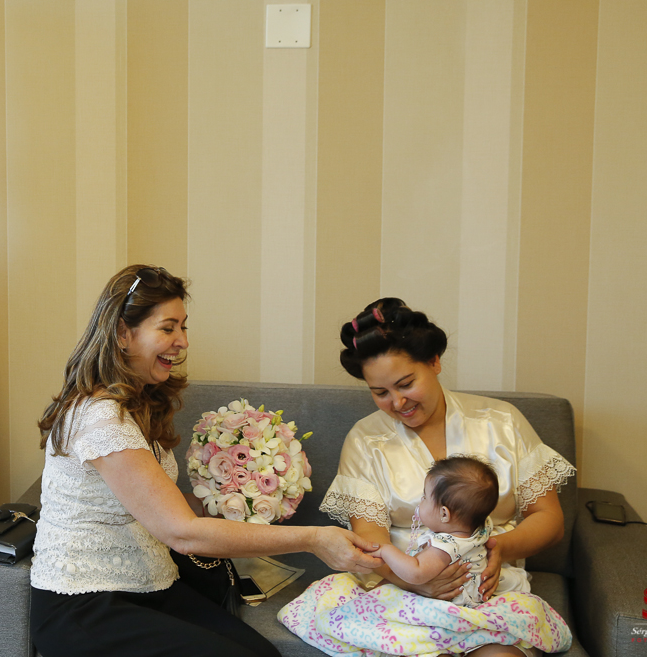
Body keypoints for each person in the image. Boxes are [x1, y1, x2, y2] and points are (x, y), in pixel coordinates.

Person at [29, 265, 382, 657]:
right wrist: (313, 539)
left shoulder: (136, 405)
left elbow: (159, 508)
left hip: (149, 587)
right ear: (123, 334)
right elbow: (182, 533)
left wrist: (229, 495)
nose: (181, 342)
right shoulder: (99, 417)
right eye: (167, 328)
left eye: (183, 327)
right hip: (85, 604)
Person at [318, 298, 575, 657]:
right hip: (402, 589)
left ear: (434, 362)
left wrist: (497, 549)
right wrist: (418, 581)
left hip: (487, 587)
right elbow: (370, 540)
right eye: (380, 392)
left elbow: (549, 519)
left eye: (405, 383)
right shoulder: (365, 441)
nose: (397, 403)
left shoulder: (501, 421)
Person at [370, 455, 529, 606]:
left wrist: (387, 551)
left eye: (424, 497)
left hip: (449, 601)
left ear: (444, 514)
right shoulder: (481, 527)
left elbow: (416, 572)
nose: (421, 501)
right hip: (471, 586)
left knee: (383, 599)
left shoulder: (445, 547)